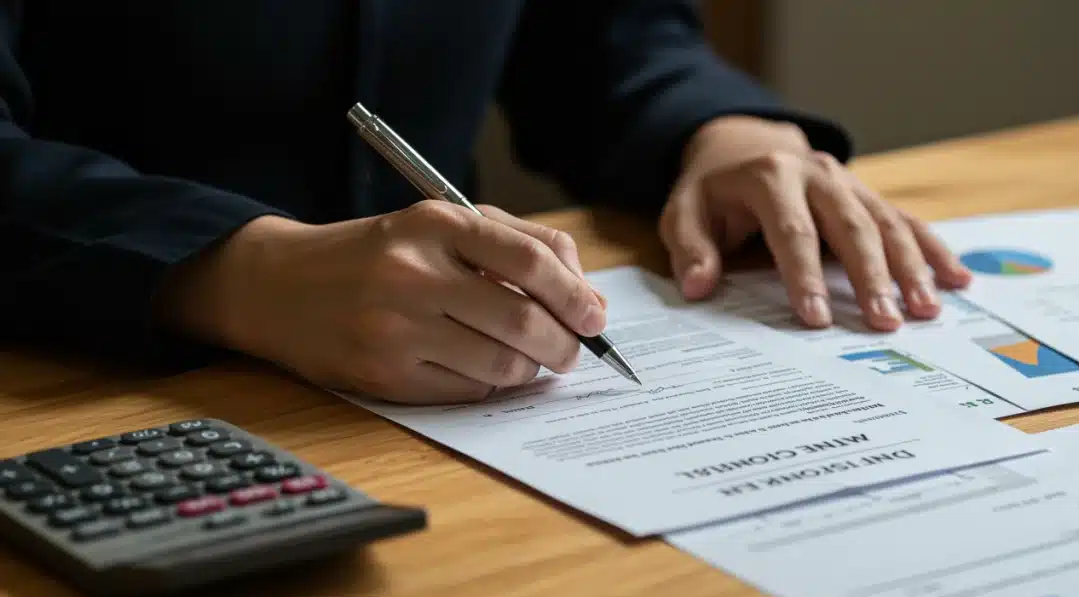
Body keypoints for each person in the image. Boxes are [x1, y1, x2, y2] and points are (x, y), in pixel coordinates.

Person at [0, 1, 971, 405]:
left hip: (434, 412)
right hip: (78, 387)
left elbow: (606, 33)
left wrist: (722, 130)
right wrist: (232, 268)